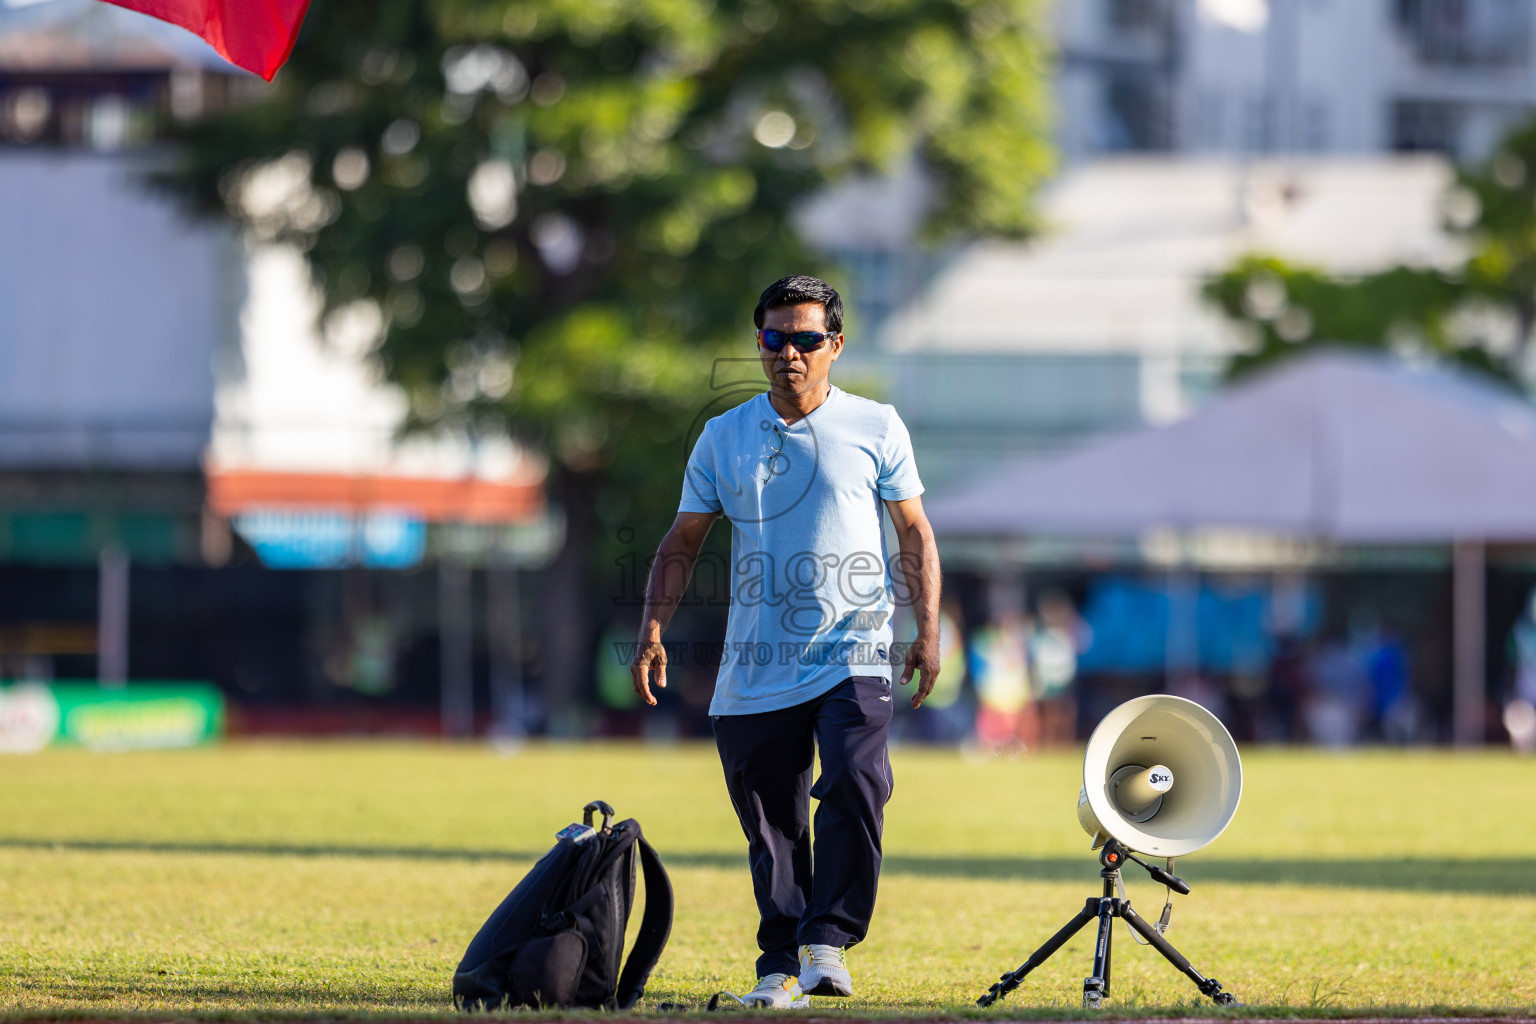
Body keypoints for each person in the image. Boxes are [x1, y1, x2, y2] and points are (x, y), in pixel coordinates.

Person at [630, 275, 942, 1008]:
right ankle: (779, 963)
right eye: (775, 339)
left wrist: (928, 629)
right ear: (760, 344)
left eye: (806, 340)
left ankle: (827, 940)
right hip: (758, 662)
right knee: (771, 823)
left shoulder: (877, 426)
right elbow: (682, 541)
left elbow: (915, 532)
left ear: (835, 345)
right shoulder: (723, 435)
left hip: (856, 649)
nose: (790, 354)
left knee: (857, 782)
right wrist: (650, 629)